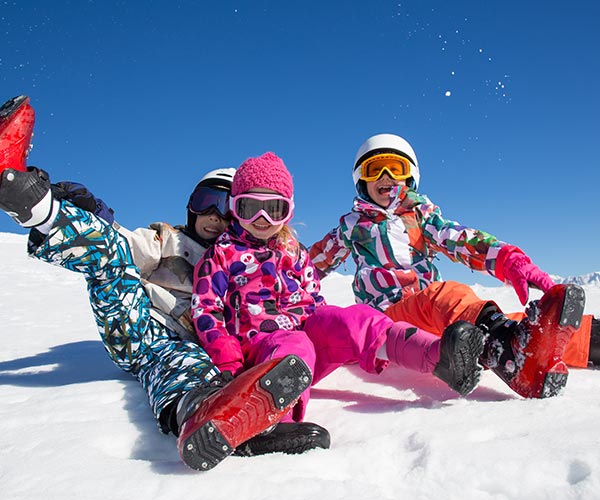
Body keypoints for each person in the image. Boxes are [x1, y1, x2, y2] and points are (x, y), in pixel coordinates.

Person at [0, 95, 315, 471]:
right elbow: (123, 245)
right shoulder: (170, 241)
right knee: (110, 258)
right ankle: (25, 194)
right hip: (140, 328)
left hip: (185, 349)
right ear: (190, 207)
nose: (213, 215)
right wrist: (96, 215)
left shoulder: (240, 263)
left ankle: (220, 420)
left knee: (186, 364)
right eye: (205, 201)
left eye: (224, 205)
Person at [191, 151, 487, 434]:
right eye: (250, 207)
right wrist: (229, 363)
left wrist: (334, 324)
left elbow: (313, 298)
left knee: (359, 318)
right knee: (295, 344)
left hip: (306, 341)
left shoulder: (293, 251)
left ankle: (437, 358)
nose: (262, 219)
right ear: (234, 208)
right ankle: (271, 422)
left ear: (288, 212)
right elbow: (206, 312)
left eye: (274, 210)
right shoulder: (221, 255)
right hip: (259, 355)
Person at [309, 133, 590, 398]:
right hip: (388, 320)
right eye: (375, 170)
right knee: (445, 296)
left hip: (433, 319)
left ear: (410, 177)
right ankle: (507, 356)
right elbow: (309, 265)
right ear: (361, 180)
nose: (386, 177)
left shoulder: (422, 218)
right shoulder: (351, 227)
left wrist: (507, 259)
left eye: (395, 168)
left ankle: (592, 341)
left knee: (524, 324)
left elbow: (460, 240)